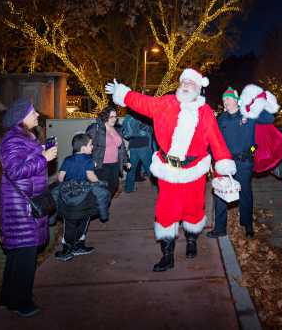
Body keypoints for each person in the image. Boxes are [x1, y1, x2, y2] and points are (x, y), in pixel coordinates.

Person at [105, 68, 236, 272]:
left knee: (193, 210)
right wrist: (123, 93)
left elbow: (216, 140)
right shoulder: (166, 103)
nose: (185, 85)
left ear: (198, 88)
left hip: (194, 170)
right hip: (168, 170)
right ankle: (167, 255)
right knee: (166, 211)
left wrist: (224, 165)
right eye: (183, 82)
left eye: (190, 83)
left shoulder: (205, 112)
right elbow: (142, 102)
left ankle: (191, 240)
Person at [0, 98, 57, 317]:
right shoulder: (12, 140)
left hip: (26, 203)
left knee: (18, 255)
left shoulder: (24, 138)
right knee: (24, 256)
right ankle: (21, 302)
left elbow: (24, 162)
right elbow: (15, 171)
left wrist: (39, 151)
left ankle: (7, 298)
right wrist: (43, 157)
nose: (38, 116)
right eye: (33, 113)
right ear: (21, 117)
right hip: (20, 207)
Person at [207, 86, 276, 239]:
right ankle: (219, 228)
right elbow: (214, 140)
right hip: (225, 163)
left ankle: (248, 225)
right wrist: (211, 160)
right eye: (224, 99)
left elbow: (270, 119)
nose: (225, 101)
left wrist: (256, 103)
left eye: (229, 98)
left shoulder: (248, 114)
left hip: (245, 161)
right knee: (220, 194)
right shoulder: (221, 119)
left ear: (236, 100)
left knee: (245, 194)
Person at [52, 133, 111, 262]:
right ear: (83, 148)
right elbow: (90, 176)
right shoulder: (88, 161)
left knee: (69, 222)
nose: (93, 147)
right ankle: (79, 245)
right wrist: (99, 182)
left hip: (68, 197)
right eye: (91, 145)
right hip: (84, 196)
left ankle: (67, 249)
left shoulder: (68, 159)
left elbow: (61, 177)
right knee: (84, 219)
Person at [86, 106, 130, 198]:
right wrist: (89, 160)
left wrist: (126, 161)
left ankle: (104, 204)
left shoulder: (117, 129)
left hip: (115, 164)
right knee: (101, 189)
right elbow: (86, 144)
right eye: (111, 117)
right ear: (105, 117)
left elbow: (122, 147)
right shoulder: (95, 128)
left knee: (113, 186)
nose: (114, 119)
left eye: (115, 117)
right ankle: (101, 209)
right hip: (101, 164)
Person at [121, 111, 154, 193]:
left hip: (133, 146)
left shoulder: (128, 117)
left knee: (131, 169)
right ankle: (158, 189)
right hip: (143, 145)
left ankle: (129, 188)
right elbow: (149, 129)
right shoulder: (142, 115)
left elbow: (124, 132)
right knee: (150, 168)